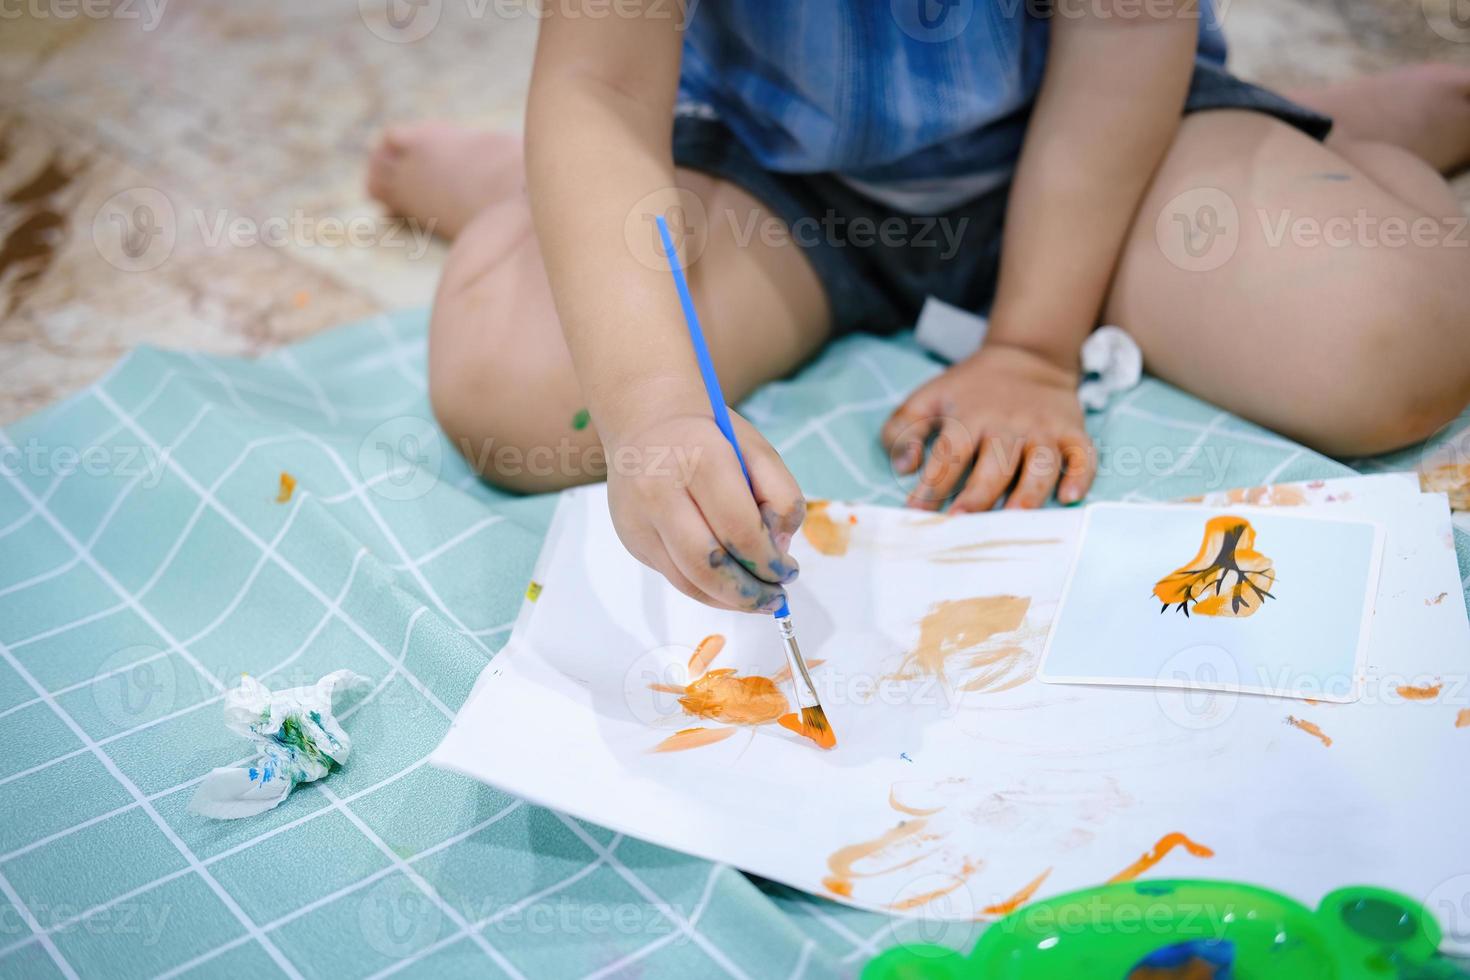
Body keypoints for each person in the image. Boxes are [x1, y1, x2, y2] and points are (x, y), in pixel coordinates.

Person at [368, 0, 1470, 615]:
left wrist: (1035, 346)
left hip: (1100, 152)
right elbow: (601, 91)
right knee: (518, 395)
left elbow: (1129, 35)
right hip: (774, 174)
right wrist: (652, 406)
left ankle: (1311, 134)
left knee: (1396, 348)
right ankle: (516, 194)